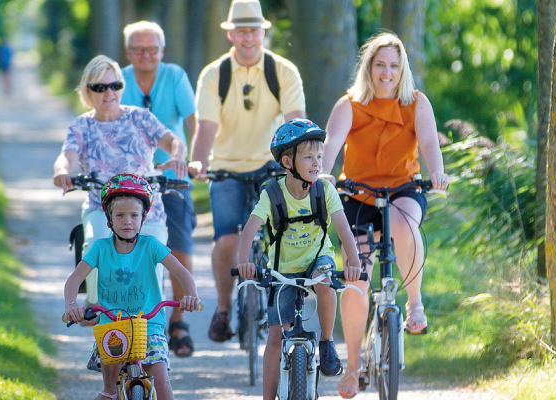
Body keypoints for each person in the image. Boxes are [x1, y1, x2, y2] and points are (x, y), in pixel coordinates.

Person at [319, 32, 449, 398]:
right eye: (380, 65)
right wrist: (323, 174)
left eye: (394, 65)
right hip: (356, 194)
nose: (387, 72)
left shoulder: (416, 103)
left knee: (404, 224)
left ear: (402, 68)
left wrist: (436, 172)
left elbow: (428, 143)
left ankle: (415, 304)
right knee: (355, 283)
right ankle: (353, 366)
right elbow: (330, 143)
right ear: (369, 68)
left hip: (402, 189)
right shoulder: (350, 104)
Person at [188, 0, 306, 343]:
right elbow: (206, 127)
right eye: (241, 31)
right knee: (226, 240)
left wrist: (300, 163)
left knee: (283, 238)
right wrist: (199, 162)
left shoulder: (283, 71)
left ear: (262, 32)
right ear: (230, 34)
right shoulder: (215, 74)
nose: (248, 37)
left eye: (254, 30)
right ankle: (223, 309)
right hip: (226, 168)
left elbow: (295, 121)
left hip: (271, 167)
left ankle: (284, 308)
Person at [236, 119, 362, 400]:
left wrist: (352, 260)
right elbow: (250, 228)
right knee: (274, 337)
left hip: (318, 257)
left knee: (326, 282)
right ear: (287, 161)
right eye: (308, 157)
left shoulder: (324, 190)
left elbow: (342, 226)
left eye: (319, 156)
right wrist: (244, 261)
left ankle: (327, 340)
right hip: (282, 269)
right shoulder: (272, 193)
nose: (317, 163)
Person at [53, 55, 188, 310]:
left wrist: (178, 156)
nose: (109, 93)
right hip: (101, 208)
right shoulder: (82, 125)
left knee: (154, 255)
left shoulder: (141, 118)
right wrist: (62, 171)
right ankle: (96, 305)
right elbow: (67, 155)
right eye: (100, 87)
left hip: (146, 210)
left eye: (114, 85)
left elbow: (174, 142)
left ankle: (152, 321)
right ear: (87, 91)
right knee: (97, 243)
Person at [63, 174, 201, 400]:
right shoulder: (100, 248)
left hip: (150, 326)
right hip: (113, 327)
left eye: (134, 215)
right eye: (120, 215)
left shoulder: (151, 245)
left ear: (143, 218)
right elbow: (74, 280)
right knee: (108, 392)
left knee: (163, 384)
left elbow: (182, 273)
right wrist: (71, 304)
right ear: (109, 219)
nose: (127, 221)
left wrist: (191, 295)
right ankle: (108, 392)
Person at [119, 21, 199, 358]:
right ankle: (122, 318)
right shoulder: (118, 79)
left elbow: (192, 121)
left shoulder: (175, 76)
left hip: (170, 176)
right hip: (130, 178)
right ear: (128, 53)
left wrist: (191, 160)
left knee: (178, 245)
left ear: (162, 52)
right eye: (138, 49)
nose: (145, 55)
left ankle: (177, 320)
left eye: (152, 49)